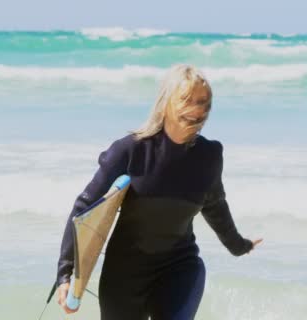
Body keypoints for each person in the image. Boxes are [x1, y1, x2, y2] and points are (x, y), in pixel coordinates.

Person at [56, 64, 262, 319]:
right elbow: (85, 208)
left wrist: (239, 245)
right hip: (124, 275)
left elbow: (214, 205)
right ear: (166, 103)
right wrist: (66, 274)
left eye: (204, 102)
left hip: (179, 267)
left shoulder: (209, 156)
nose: (198, 108)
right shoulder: (130, 151)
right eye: (187, 100)